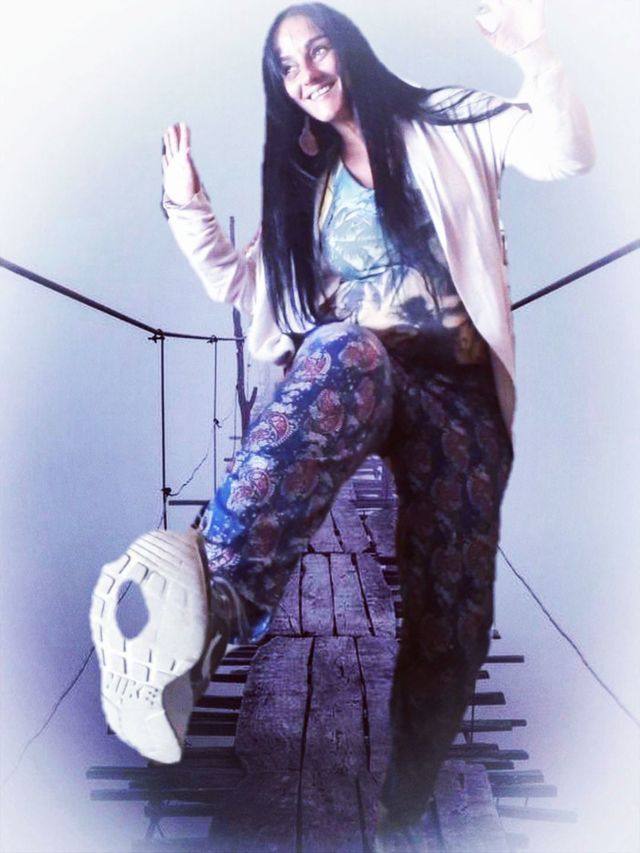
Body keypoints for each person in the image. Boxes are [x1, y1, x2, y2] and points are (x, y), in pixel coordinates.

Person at [90, 1, 594, 848]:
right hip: (367, 374)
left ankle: (405, 801)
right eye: (288, 68)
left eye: (317, 50)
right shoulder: (309, 190)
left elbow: (567, 151)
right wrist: (186, 204)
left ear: (348, 50)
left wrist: (535, 50)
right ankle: (207, 603)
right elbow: (238, 285)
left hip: (460, 398)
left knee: (453, 621)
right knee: (341, 349)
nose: (307, 74)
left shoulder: (448, 120)